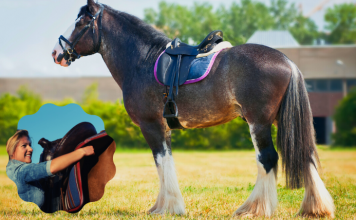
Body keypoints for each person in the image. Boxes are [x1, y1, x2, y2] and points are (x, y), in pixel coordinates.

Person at [6, 130, 94, 209]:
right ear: (12, 151)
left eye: (30, 145)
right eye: (24, 146)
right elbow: (51, 167)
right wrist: (82, 152)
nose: (31, 149)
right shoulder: (19, 171)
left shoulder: (13, 170)